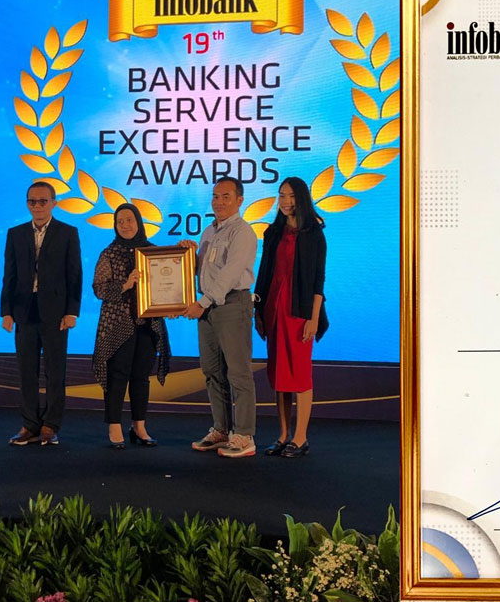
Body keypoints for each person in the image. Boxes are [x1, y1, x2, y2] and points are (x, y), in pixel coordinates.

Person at [181, 177, 259, 458]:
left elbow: (229, 275)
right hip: (209, 307)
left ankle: (244, 436)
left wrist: (202, 303)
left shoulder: (243, 233)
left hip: (231, 304)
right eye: (215, 196)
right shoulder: (209, 231)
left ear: (239, 200)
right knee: (212, 371)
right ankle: (221, 430)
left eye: (226, 196)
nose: (219, 202)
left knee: (238, 372)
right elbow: (205, 271)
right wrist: (187, 257)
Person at [1, 181, 82, 446]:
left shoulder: (68, 232)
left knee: (55, 372)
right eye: (32, 201)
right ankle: (29, 425)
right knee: (27, 371)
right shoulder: (15, 233)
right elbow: (9, 275)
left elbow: (74, 275)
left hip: (56, 313)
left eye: (43, 201)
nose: (37, 206)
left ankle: (50, 425)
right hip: (24, 311)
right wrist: (6, 312)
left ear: (53, 203)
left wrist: (72, 312)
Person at [254, 177, 328, 458]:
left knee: (299, 374)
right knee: (279, 374)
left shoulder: (314, 234)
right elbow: (263, 273)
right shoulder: (273, 232)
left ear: (302, 198)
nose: (286, 202)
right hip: (274, 309)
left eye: (291, 196)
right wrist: (258, 310)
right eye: (282, 195)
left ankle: (301, 437)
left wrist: (313, 318)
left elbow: (318, 281)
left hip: (300, 313)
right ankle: (283, 435)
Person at [92, 203, 171, 448]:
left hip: (148, 323)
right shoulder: (109, 253)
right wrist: (125, 285)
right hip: (118, 324)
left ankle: (139, 426)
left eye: (129, 220)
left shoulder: (152, 252)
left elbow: (167, 286)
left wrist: (172, 304)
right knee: (117, 375)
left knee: (141, 376)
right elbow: (99, 289)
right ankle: (114, 426)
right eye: (120, 221)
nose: (125, 225)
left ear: (139, 222)